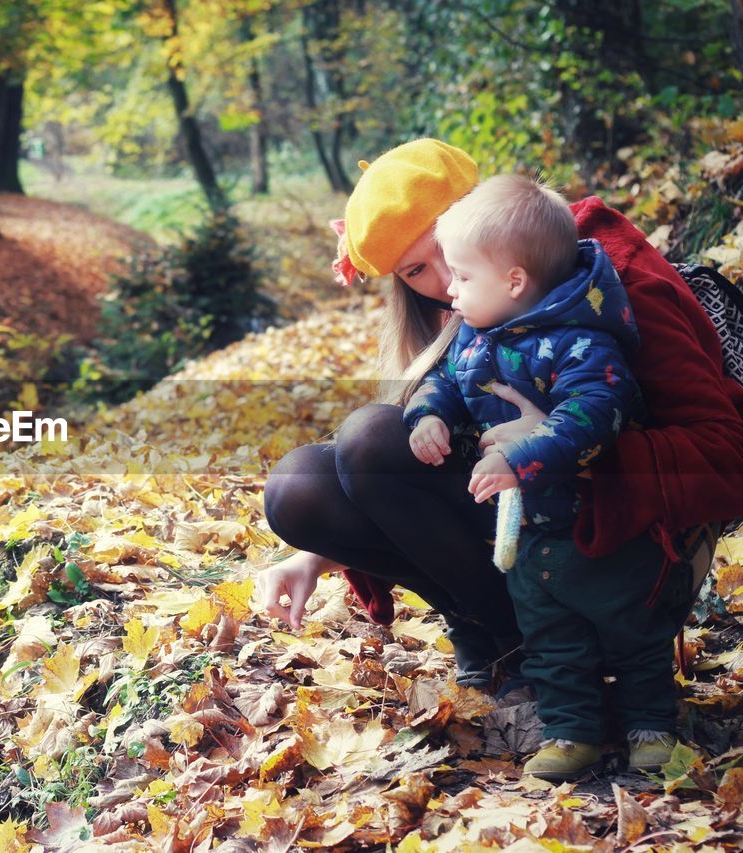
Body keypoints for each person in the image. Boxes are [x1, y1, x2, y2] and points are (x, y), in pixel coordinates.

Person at [259, 139, 743, 710]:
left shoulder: (610, 272)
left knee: (367, 436)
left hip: (625, 556)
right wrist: (317, 552)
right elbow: (419, 482)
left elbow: (726, 453)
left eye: (444, 248)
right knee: (301, 486)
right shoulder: (459, 308)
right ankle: (515, 655)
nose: (442, 282)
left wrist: (558, 440)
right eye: (416, 270)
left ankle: (570, 658)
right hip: (525, 538)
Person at [402, 174, 686, 779]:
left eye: (463, 275)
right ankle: (570, 731)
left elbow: (592, 415)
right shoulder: (477, 338)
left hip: (602, 524)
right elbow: (448, 383)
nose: (450, 289)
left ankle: (651, 725)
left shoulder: (581, 343)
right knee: (552, 638)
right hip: (532, 528)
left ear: (514, 281)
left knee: (632, 630)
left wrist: (521, 456)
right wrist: (428, 415)